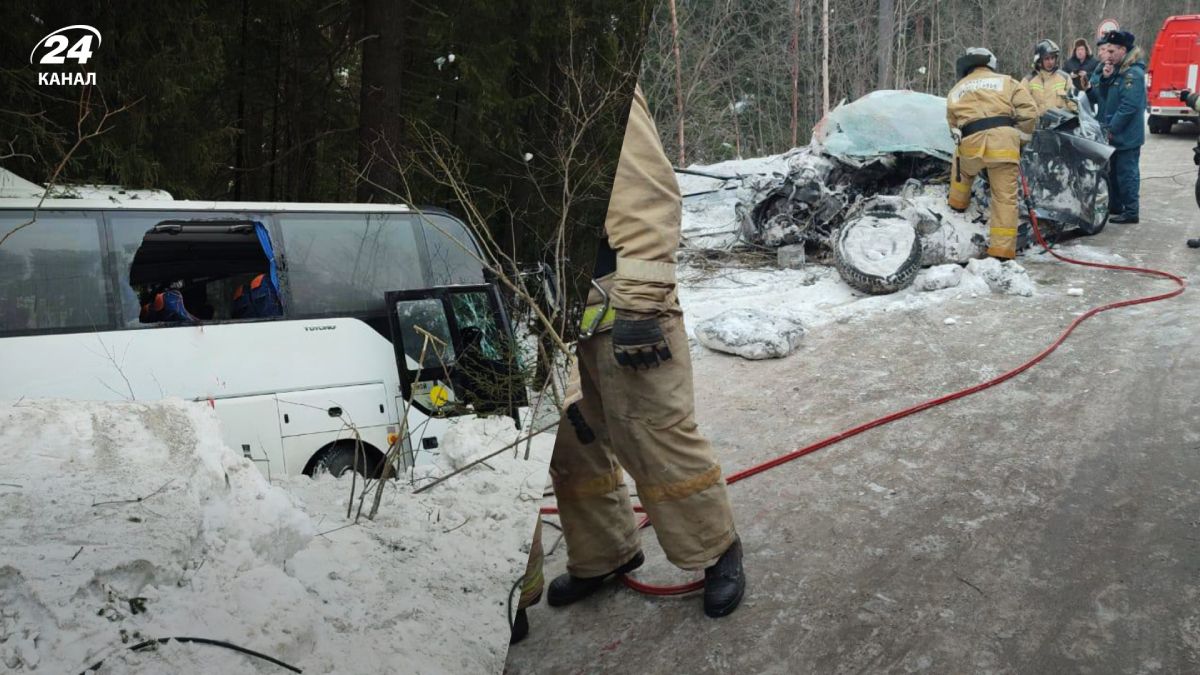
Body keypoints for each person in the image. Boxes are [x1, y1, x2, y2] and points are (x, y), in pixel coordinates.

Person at [510, 83, 744, 645]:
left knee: (652, 433)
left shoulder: (589, 64)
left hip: (618, 295)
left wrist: (642, 299)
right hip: (542, 302)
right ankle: (606, 555)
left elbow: (644, 185)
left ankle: (717, 550)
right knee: (570, 441)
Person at [946, 48, 1038, 259]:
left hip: (970, 146)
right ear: (990, 65)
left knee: (960, 163)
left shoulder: (956, 89)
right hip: (1003, 146)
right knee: (1004, 199)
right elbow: (1030, 112)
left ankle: (957, 203)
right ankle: (1002, 251)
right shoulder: (1007, 82)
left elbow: (953, 128)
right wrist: (1021, 140)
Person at [1085, 30, 1146, 224]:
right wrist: (1105, 78)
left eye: (1112, 51)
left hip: (1126, 136)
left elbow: (1128, 107)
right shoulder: (1117, 70)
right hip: (1115, 133)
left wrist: (1110, 129)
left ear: (1122, 50)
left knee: (1127, 174)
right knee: (1114, 173)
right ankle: (1116, 206)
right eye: (1107, 51)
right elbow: (1103, 97)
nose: (1108, 55)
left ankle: (1131, 211)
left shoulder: (1132, 74)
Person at [1021, 39, 1078, 116]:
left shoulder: (1065, 78)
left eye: (1052, 58)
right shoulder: (1028, 81)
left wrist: (1078, 112)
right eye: (1046, 59)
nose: (1050, 62)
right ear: (1039, 61)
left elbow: (1072, 102)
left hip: (1061, 125)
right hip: (1037, 126)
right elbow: (1021, 105)